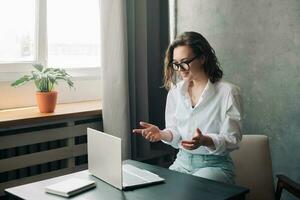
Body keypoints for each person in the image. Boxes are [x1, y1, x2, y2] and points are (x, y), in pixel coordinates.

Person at [133, 31, 243, 184]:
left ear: (203, 58)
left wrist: (206, 140)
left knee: (192, 193)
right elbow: (176, 133)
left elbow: (233, 139)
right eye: (176, 64)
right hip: (181, 163)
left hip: (214, 165)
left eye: (185, 62)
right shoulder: (175, 92)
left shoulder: (228, 92)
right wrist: (161, 134)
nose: (180, 69)